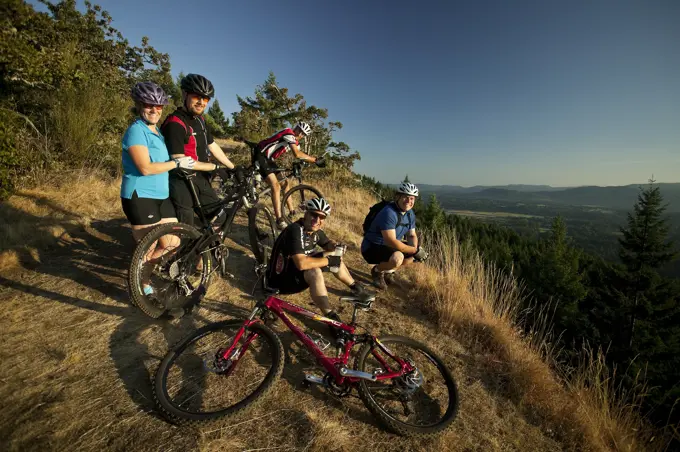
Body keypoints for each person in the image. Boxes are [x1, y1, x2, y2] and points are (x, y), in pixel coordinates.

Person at [120, 82, 195, 294]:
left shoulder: (157, 132)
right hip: (140, 196)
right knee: (148, 246)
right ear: (138, 104)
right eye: (148, 105)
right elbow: (144, 168)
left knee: (172, 242)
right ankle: (140, 286)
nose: (154, 110)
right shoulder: (136, 131)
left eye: (159, 106)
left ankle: (143, 274)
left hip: (162, 196)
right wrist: (177, 163)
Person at [266, 197, 374, 323]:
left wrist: (335, 245)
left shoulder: (315, 231)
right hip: (280, 281)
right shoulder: (295, 230)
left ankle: (356, 288)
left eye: (322, 217)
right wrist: (330, 261)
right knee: (315, 271)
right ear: (306, 214)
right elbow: (302, 264)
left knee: (333, 254)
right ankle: (330, 317)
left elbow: (327, 243)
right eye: (314, 215)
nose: (317, 220)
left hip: (293, 271)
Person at [162, 73, 235, 227]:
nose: (202, 102)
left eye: (206, 99)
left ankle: (205, 249)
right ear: (184, 94)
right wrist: (214, 167)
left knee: (217, 217)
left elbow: (212, 145)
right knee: (186, 226)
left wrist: (233, 167)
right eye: (197, 96)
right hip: (181, 180)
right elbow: (180, 161)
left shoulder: (200, 120)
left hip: (200, 178)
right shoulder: (175, 123)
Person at [254, 122, 324, 229]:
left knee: (285, 183)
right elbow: (297, 154)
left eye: (303, 134)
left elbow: (301, 156)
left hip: (269, 159)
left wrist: (302, 163)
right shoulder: (288, 133)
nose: (300, 134)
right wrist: (315, 160)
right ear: (295, 128)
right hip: (261, 154)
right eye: (299, 130)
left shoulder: (295, 141)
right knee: (276, 186)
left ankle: (292, 212)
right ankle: (279, 219)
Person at [361, 182, 429, 289]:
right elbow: (390, 241)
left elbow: (411, 235)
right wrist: (415, 251)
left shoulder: (410, 214)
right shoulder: (389, 212)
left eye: (412, 198)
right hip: (371, 247)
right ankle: (377, 271)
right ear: (398, 197)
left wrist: (415, 250)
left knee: (412, 257)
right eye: (405, 197)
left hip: (389, 247)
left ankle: (388, 271)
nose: (408, 201)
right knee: (398, 258)